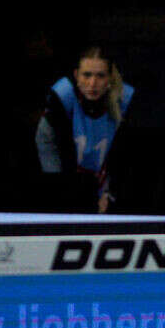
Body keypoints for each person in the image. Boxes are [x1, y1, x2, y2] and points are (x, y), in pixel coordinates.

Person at [36, 46, 133, 213]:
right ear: (76, 76)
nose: (92, 83)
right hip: (65, 189)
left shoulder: (125, 104)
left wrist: (111, 193)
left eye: (100, 76)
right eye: (87, 75)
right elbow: (46, 144)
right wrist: (61, 189)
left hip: (107, 194)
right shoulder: (60, 101)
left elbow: (128, 157)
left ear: (109, 78)